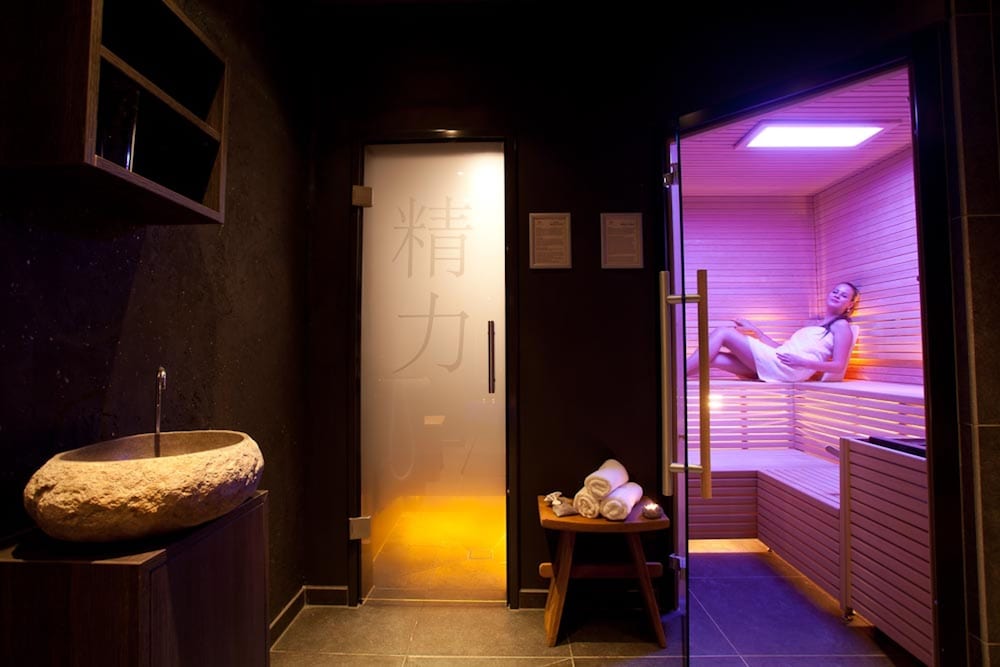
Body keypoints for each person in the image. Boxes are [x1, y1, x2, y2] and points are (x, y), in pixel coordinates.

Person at [685, 282, 860, 382]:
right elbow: (781, 349)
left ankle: (675, 376)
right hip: (783, 362)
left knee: (723, 332)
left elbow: (838, 365)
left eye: (844, 295)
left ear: (850, 304)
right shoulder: (819, 324)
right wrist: (757, 332)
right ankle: (677, 380)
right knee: (713, 358)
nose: (837, 295)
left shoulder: (841, 326)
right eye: (835, 291)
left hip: (791, 368)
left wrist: (802, 362)